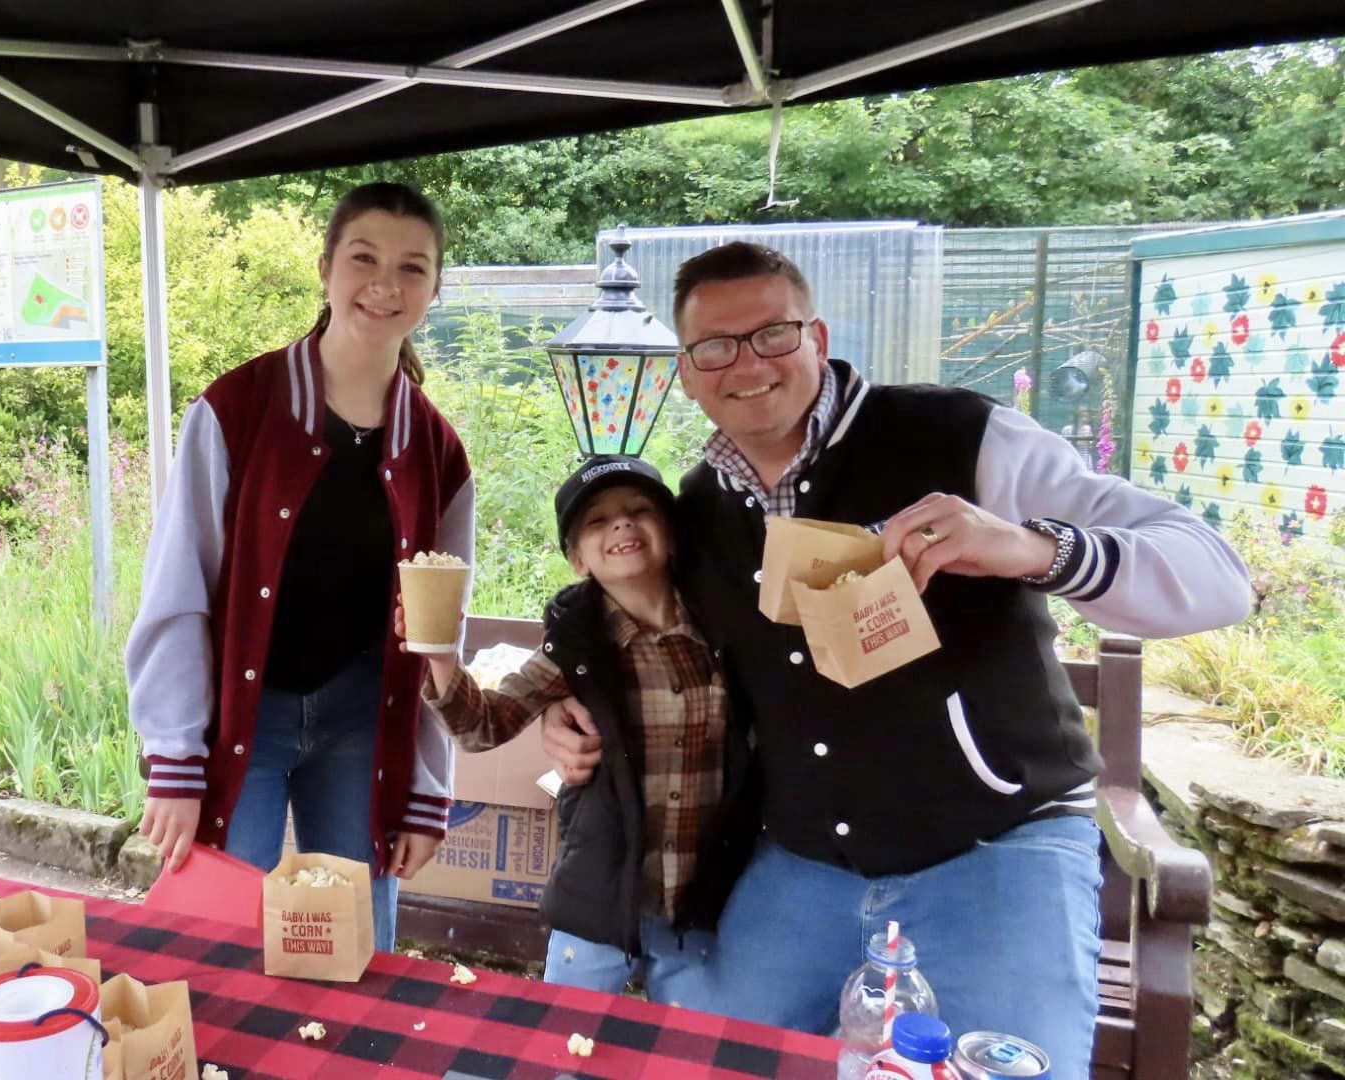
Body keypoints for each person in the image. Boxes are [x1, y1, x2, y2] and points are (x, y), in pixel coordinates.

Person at [539, 242, 1250, 1069]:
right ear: (690, 374)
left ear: (817, 335)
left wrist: (1029, 547)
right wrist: (573, 712)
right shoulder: (695, 512)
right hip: (799, 865)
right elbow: (639, 646)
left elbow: (1218, 576)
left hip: (992, 849)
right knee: (713, 1060)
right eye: (715, 348)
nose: (748, 364)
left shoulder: (958, 439)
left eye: (773, 333)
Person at [125, 182, 474, 952]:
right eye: (364, 259)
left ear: (435, 289)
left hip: (362, 718)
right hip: (242, 714)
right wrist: (175, 761)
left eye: (413, 268)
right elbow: (178, 587)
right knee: (210, 932)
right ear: (324, 270)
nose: (386, 285)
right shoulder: (235, 409)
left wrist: (425, 787)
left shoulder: (438, 452)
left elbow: (434, 632)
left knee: (356, 945)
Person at [401, 455, 758, 1005]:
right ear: (578, 559)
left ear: (673, 533)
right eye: (598, 521)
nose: (621, 524)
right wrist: (443, 658)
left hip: (701, 898)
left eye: (640, 510)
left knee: (691, 1045)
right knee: (566, 1037)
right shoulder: (574, 649)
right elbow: (485, 727)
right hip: (600, 893)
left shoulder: (723, 631)